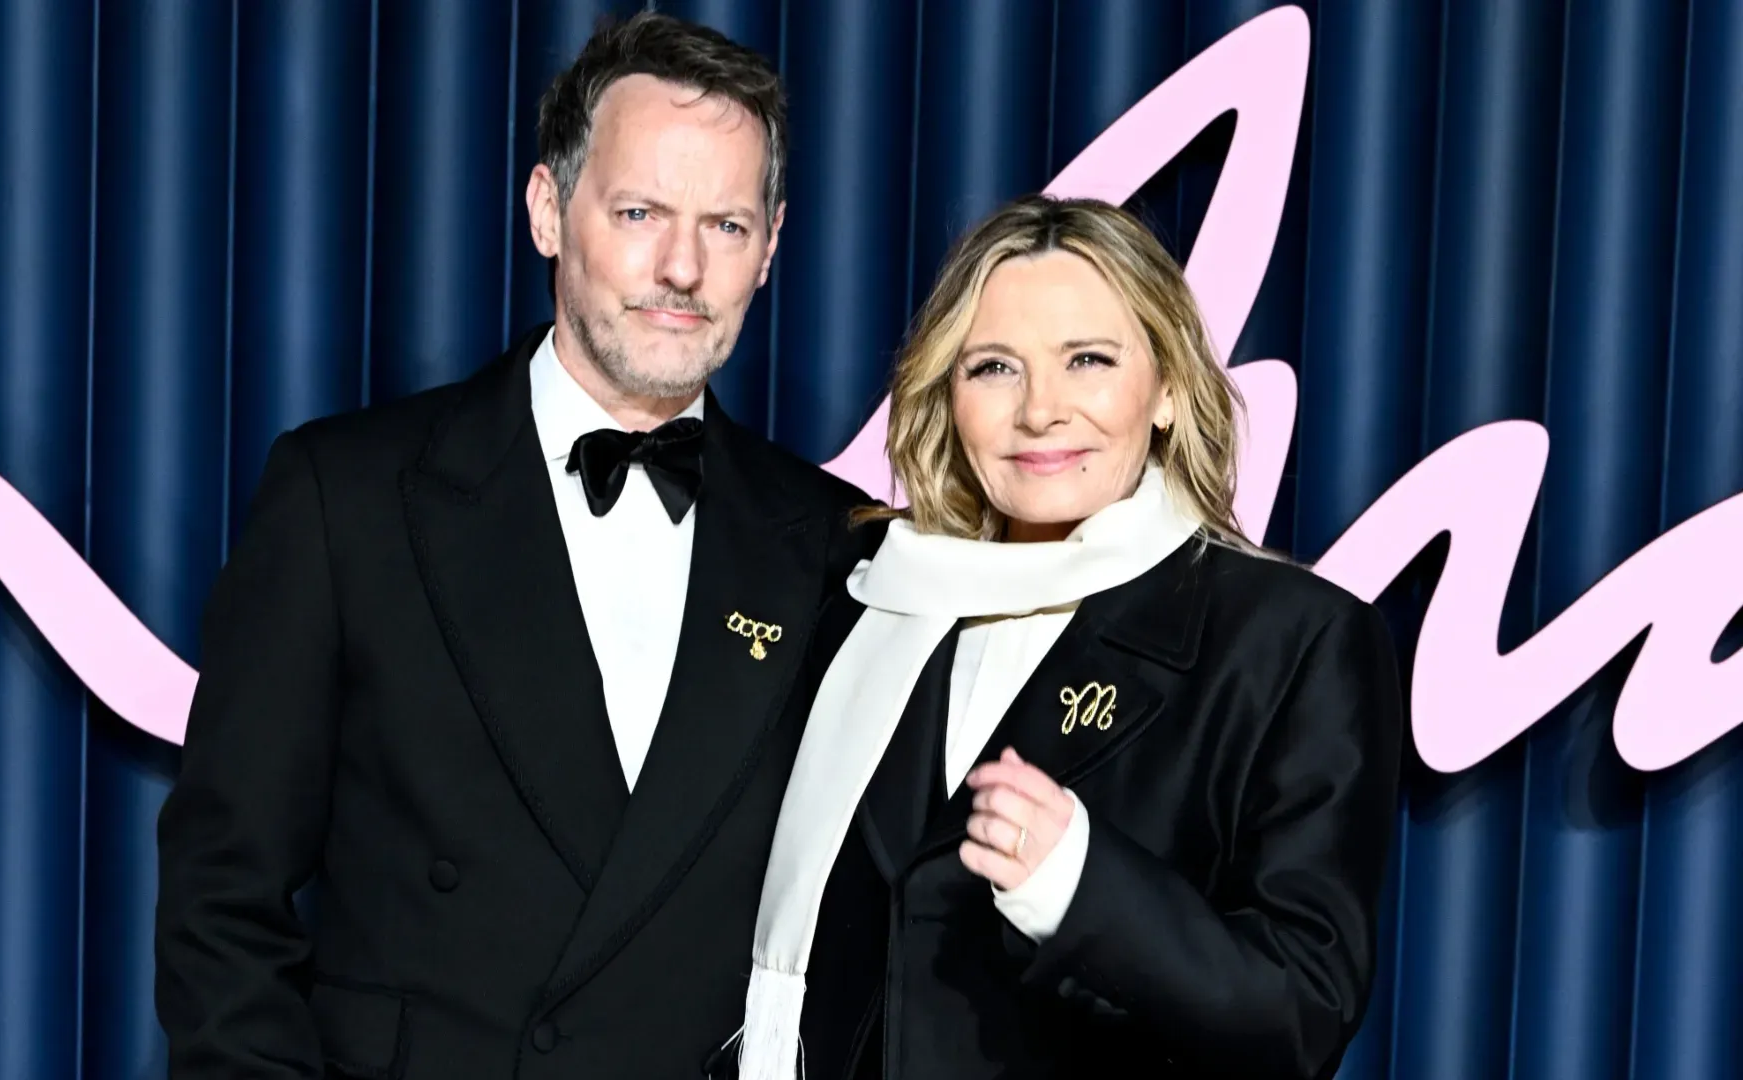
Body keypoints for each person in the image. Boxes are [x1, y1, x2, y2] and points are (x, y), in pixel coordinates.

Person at [155, 13, 878, 1079]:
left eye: (725, 226)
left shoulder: (832, 543)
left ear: (772, 246)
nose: (681, 266)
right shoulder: (346, 496)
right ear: (549, 209)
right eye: (639, 211)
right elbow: (223, 902)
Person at [726, 194, 1403, 1080]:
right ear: (947, 393)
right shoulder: (864, 598)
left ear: (1166, 390)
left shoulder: (1293, 641)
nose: (1041, 411)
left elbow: (1301, 1015)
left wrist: (1082, 888)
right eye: (995, 367)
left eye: (1088, 360)